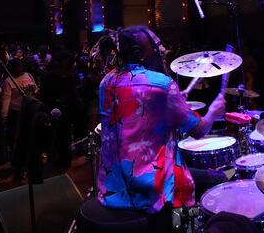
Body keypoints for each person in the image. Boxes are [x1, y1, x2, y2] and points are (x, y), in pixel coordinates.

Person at [97, 26, 226, 230]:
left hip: (113, 185)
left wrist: (172, 100)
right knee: (202, 181)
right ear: (139, 53)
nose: (163, 49)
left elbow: (138, 115)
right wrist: (214, 112)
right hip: (148, 189)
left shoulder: (106, 81)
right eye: (157, 45)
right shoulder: (162, 84)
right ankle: (186, 229)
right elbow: (199, 130)